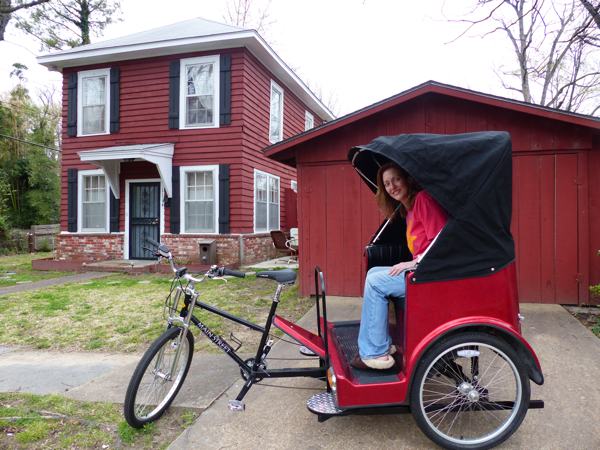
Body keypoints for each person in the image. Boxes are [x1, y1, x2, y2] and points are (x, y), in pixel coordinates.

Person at [352, 162, 448, 370]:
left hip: (431, 275)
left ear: (407, 179)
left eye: (396, 179)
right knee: (374, 273)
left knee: (376, 282)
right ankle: (382, 344)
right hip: (422, 270)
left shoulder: (423, 200)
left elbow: (440, 243)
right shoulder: (409, 209)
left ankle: (376, 353)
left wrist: (412, 262)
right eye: (387, 184)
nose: (392, 186)